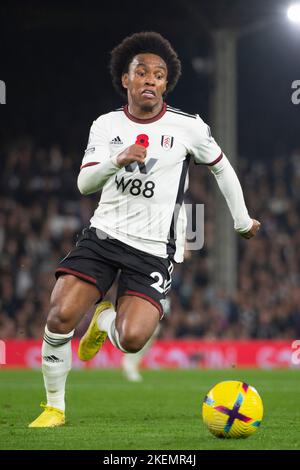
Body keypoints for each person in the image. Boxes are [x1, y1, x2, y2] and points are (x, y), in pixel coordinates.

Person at [29, 31, 260, 427]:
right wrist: (117, 160)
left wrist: (241, 220)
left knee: (132, 338)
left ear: (166, 84)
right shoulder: (106, 125)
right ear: (126, 79)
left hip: (154, 249)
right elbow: (85, 184)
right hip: (103, 237)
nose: (150, 80)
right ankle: (54, 408)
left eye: (158, 75)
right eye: (142, 72)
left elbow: (222, 167)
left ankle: (104, 321)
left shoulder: (188, 128)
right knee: (59, 316)